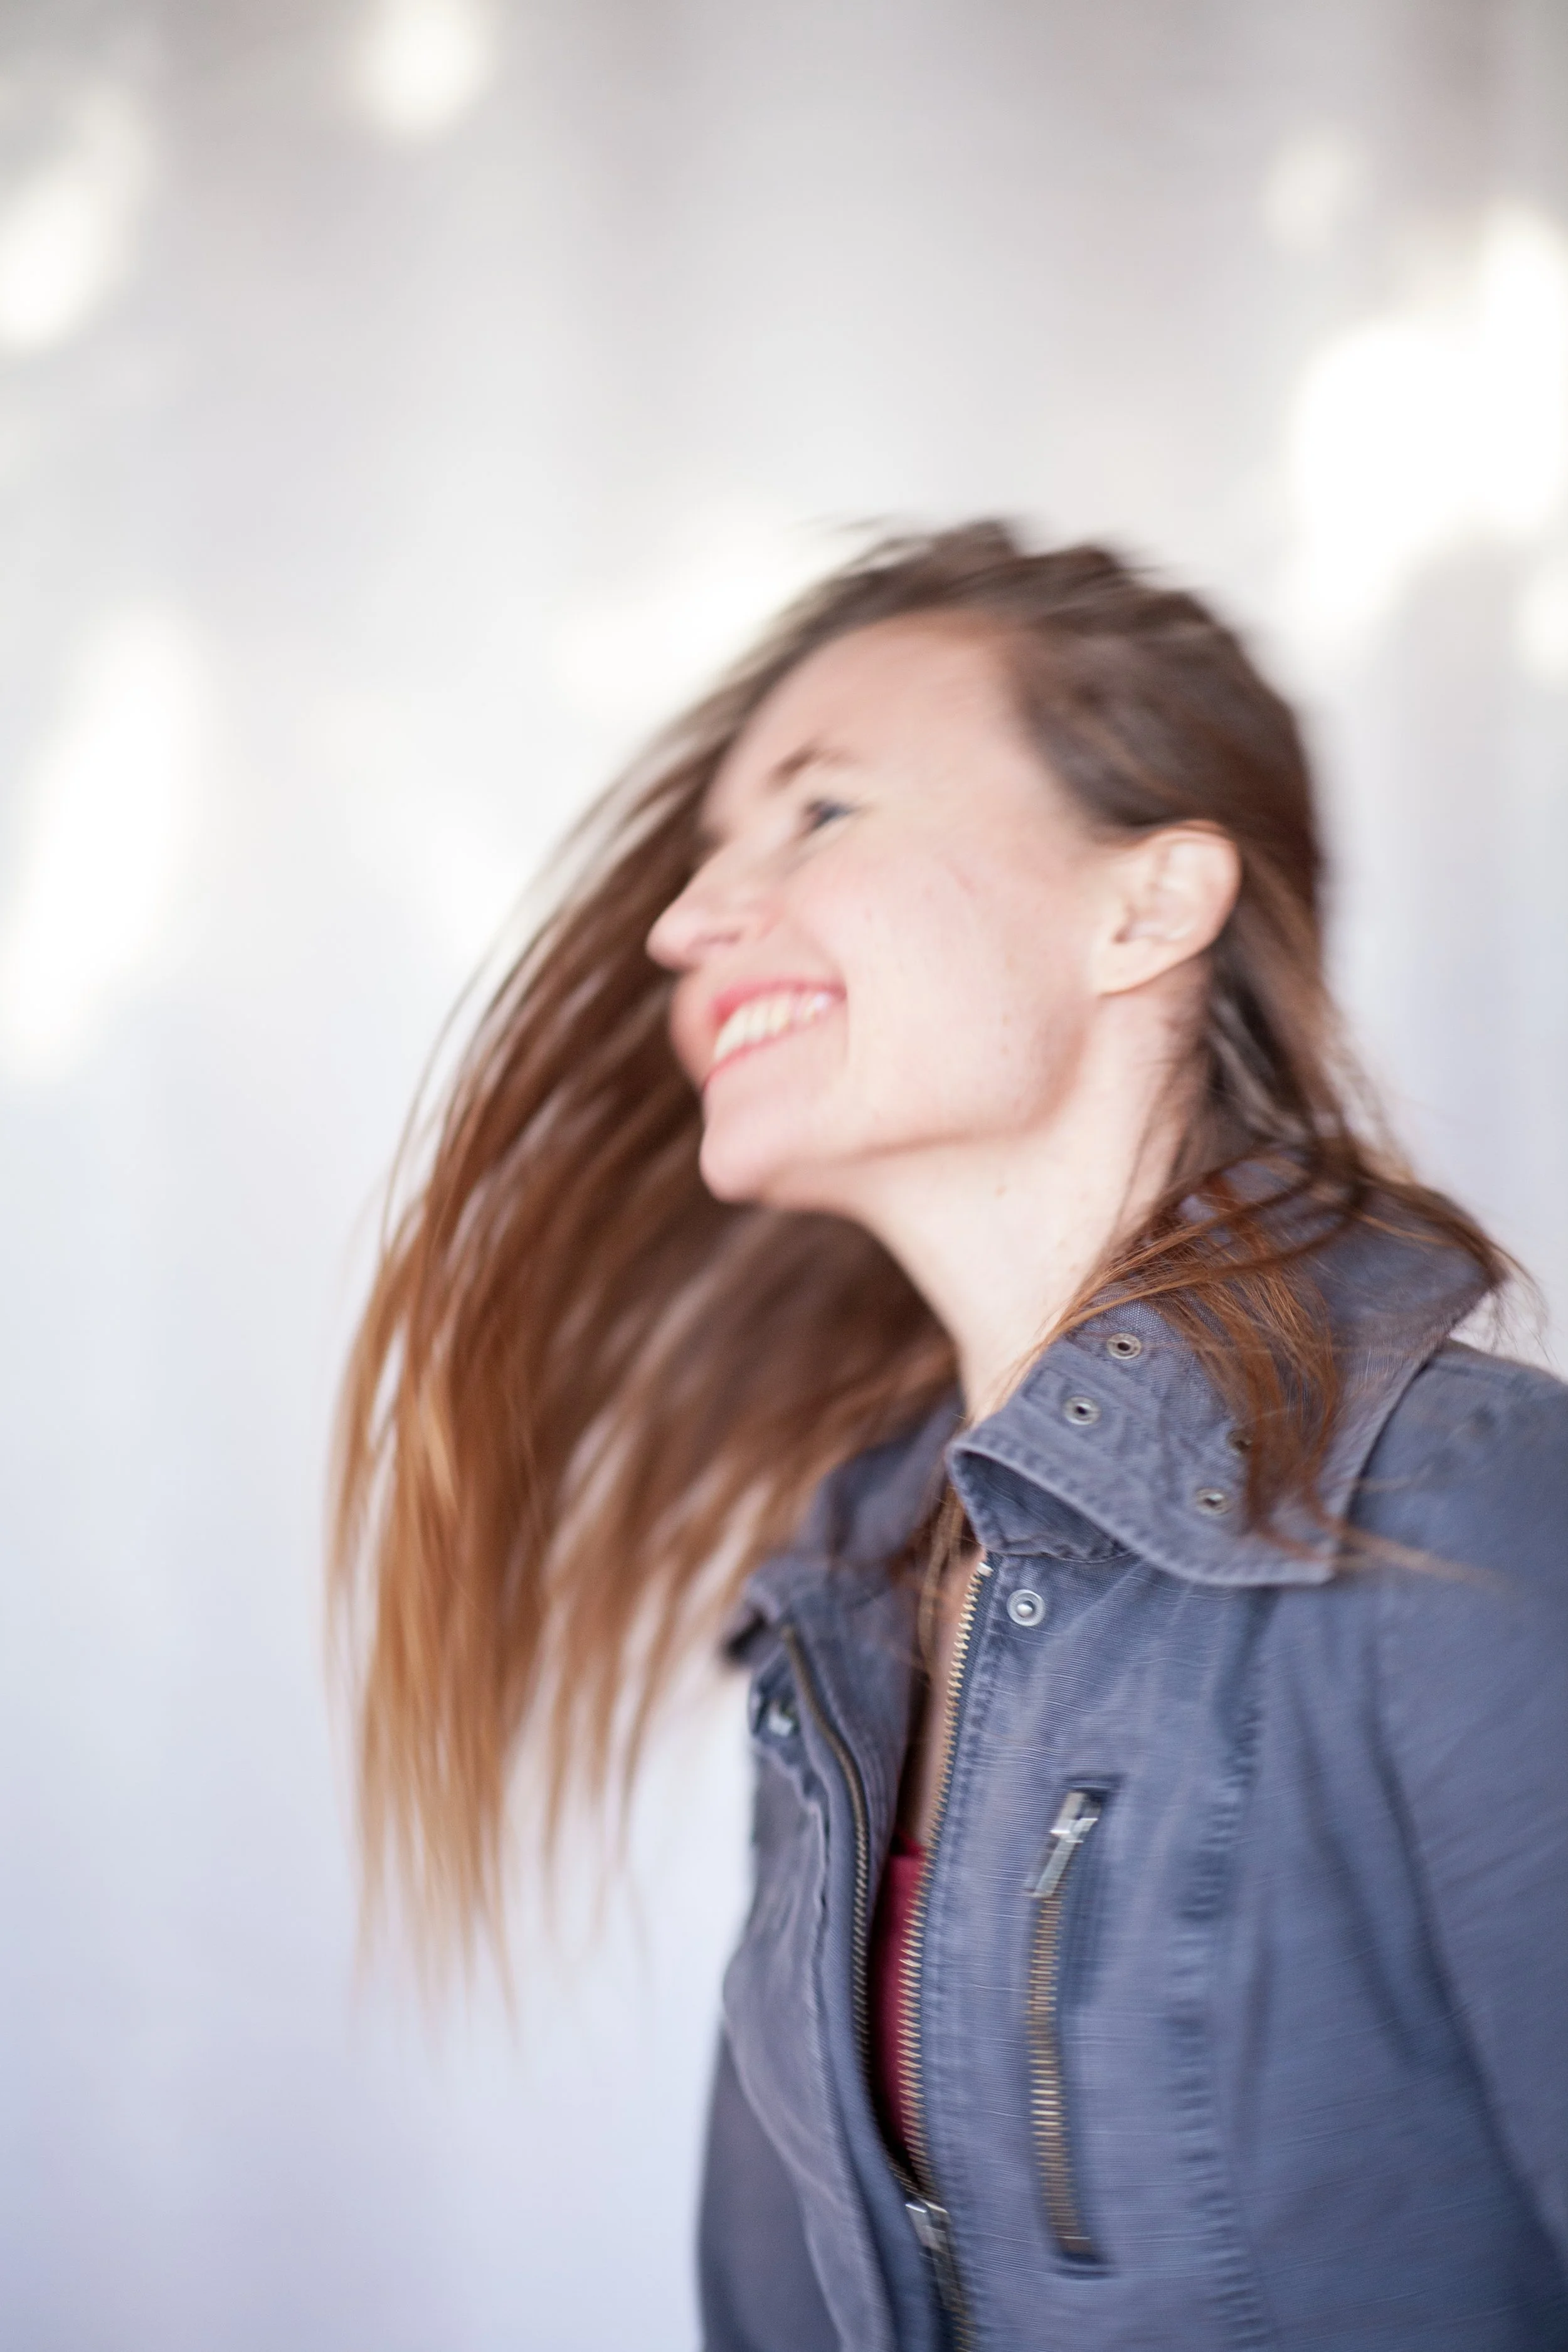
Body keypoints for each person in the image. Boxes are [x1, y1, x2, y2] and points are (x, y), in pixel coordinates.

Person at [332, 524, 1568, 2350]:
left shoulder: (1467, 1512)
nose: (684, 923)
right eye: (702, 860)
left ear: (1142, 907)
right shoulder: (840, 1612)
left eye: (819, 813)